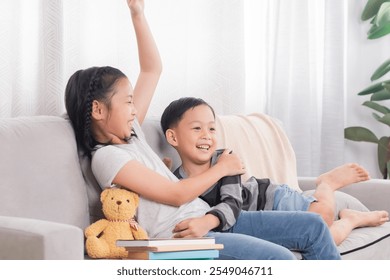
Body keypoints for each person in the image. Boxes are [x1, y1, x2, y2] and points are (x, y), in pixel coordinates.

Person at [64, 0, 341, 259]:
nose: (135, 109)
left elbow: (152, 70)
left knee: (313, 226)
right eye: (127, 102)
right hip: (183, 237)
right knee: (278, 258)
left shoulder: (130, 135)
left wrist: (137, 14)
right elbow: (176, 195)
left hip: (210, 218)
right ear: (99, 110)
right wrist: (223, 168)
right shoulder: (107, 157)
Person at [160, 97, 390, 245]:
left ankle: (326, 184)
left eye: (211, 128)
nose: (207, 135)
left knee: (321, 218)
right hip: (261, 223)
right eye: (197, 128)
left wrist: (208, 221)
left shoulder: (225, 160)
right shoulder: (178, 182)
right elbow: (171, 201)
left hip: (272, 200)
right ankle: (351, 220)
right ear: (172, 137)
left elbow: (231, 203)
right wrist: (165, 169)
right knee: (324, 238)